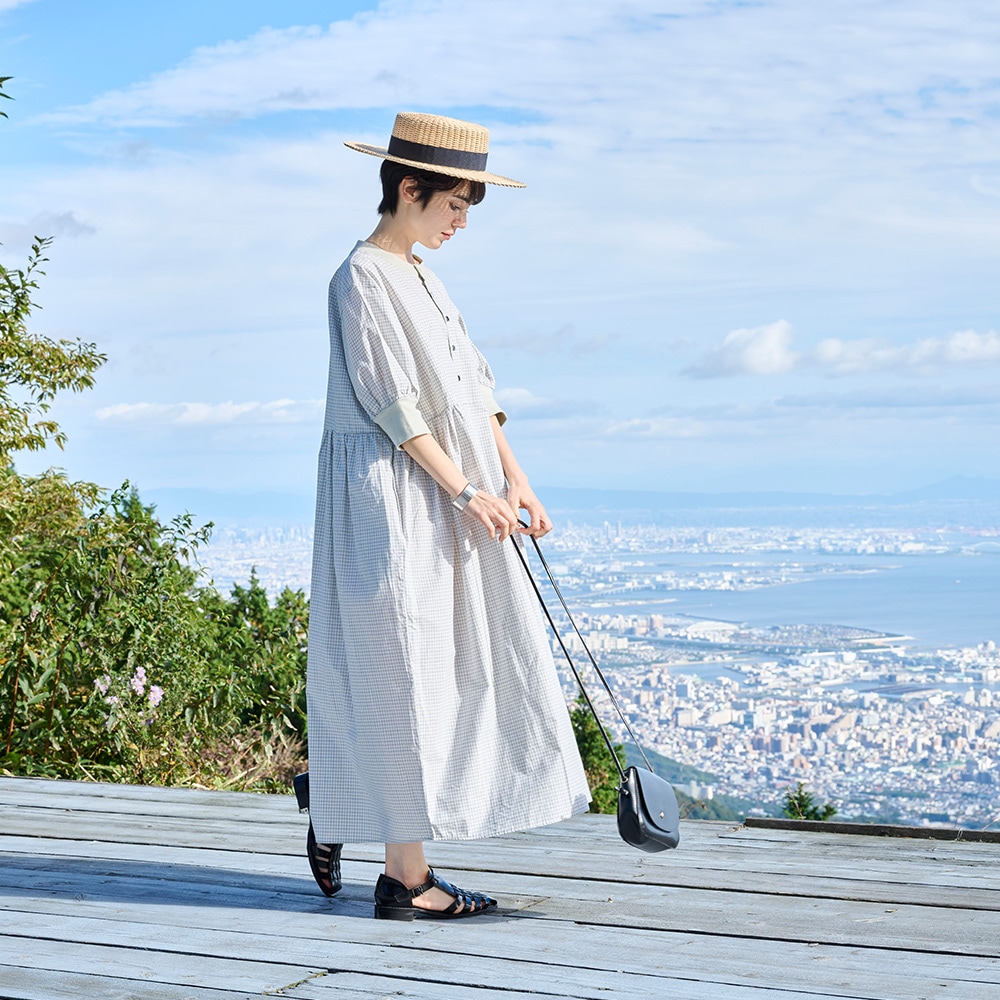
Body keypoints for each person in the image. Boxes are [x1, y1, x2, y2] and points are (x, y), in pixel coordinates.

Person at [304, 112, 590, 921]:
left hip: (452, 493)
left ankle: (335, 793)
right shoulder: (360, 277)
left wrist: (516, 479)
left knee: (439, 670)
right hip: (395, 498)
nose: (462, 221)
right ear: (409, 188)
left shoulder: (427, 275)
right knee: (401, 667)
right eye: (455, 203)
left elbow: (474, 395)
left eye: (469, 205)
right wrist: (465, 491)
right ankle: (404, 878)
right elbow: (391, 404)